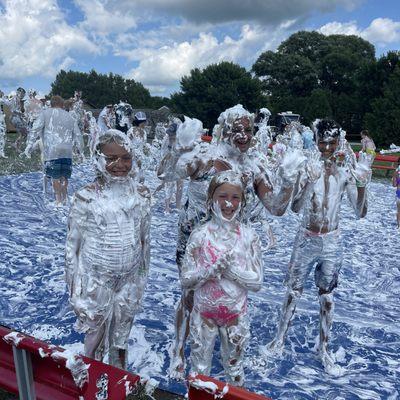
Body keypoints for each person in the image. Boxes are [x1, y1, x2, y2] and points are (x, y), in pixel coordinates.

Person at [158, 104, 306, 377]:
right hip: (196, 239)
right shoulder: (206, 156)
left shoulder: (254, 165)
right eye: (236, 130)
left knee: (229, 296)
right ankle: (179, 351)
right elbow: (167, 174)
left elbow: (275, 207)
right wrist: (175, 147)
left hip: (232, 244)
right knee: (190, 296)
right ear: (223, 131)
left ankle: (223, 352)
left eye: (248, 130)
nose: (243, 135)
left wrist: (287, 181)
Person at [267, 119, 371, 374]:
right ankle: (279, 338)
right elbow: (295, 207)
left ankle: (323, 347)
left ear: (339, 142)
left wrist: (362, 185)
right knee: (293, 292)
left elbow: (360, 212)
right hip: (306, 237)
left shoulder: (345, 171)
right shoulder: (307, 167)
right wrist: (307, 183)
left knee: (327, 296)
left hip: (332, 240)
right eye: (321, 142)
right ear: (314, 141)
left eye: (331, 142)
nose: (326, 147)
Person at [65, 129, 151, 369]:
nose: (119, 164)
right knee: (94, 338)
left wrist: (141, 279)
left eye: (126, 158)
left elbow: (145, 241)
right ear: (98, 159)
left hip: (128, 279)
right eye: (110, 158)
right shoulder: (85, 197)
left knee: (121, 339)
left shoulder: (142, 195)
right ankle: (90, 383)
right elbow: (72, 249)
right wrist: (75, 291)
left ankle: (117, 382)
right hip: (96, 279)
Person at [181, 171, 263, 385]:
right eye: (222, 196)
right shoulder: (200, 235)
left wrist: (229, 271)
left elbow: (257, 282)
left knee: (235, 369)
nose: (229, 203)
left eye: (235, 197)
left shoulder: (249, 237)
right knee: (199, 370)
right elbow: (186, 279)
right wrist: (209, 271)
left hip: (235, 316)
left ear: (243, 202)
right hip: (204, 314)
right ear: (211, 200)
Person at [23, 95, 83, 205]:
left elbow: (35, 130)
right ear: (62, 104)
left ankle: (58, 200)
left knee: (55, 177)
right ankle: (64, 198)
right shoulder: (70, 116)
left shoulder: (45, 114)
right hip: (66, 151)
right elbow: (78, 134)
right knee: (64, 176)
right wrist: (80, 150)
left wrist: (29, 146)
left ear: (51, 104)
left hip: (52, 152)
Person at [393, 160, 400, 229]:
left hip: (399, 193)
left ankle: (399, 226)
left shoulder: (396, 172)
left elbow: (394, 185)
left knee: (399, 211)